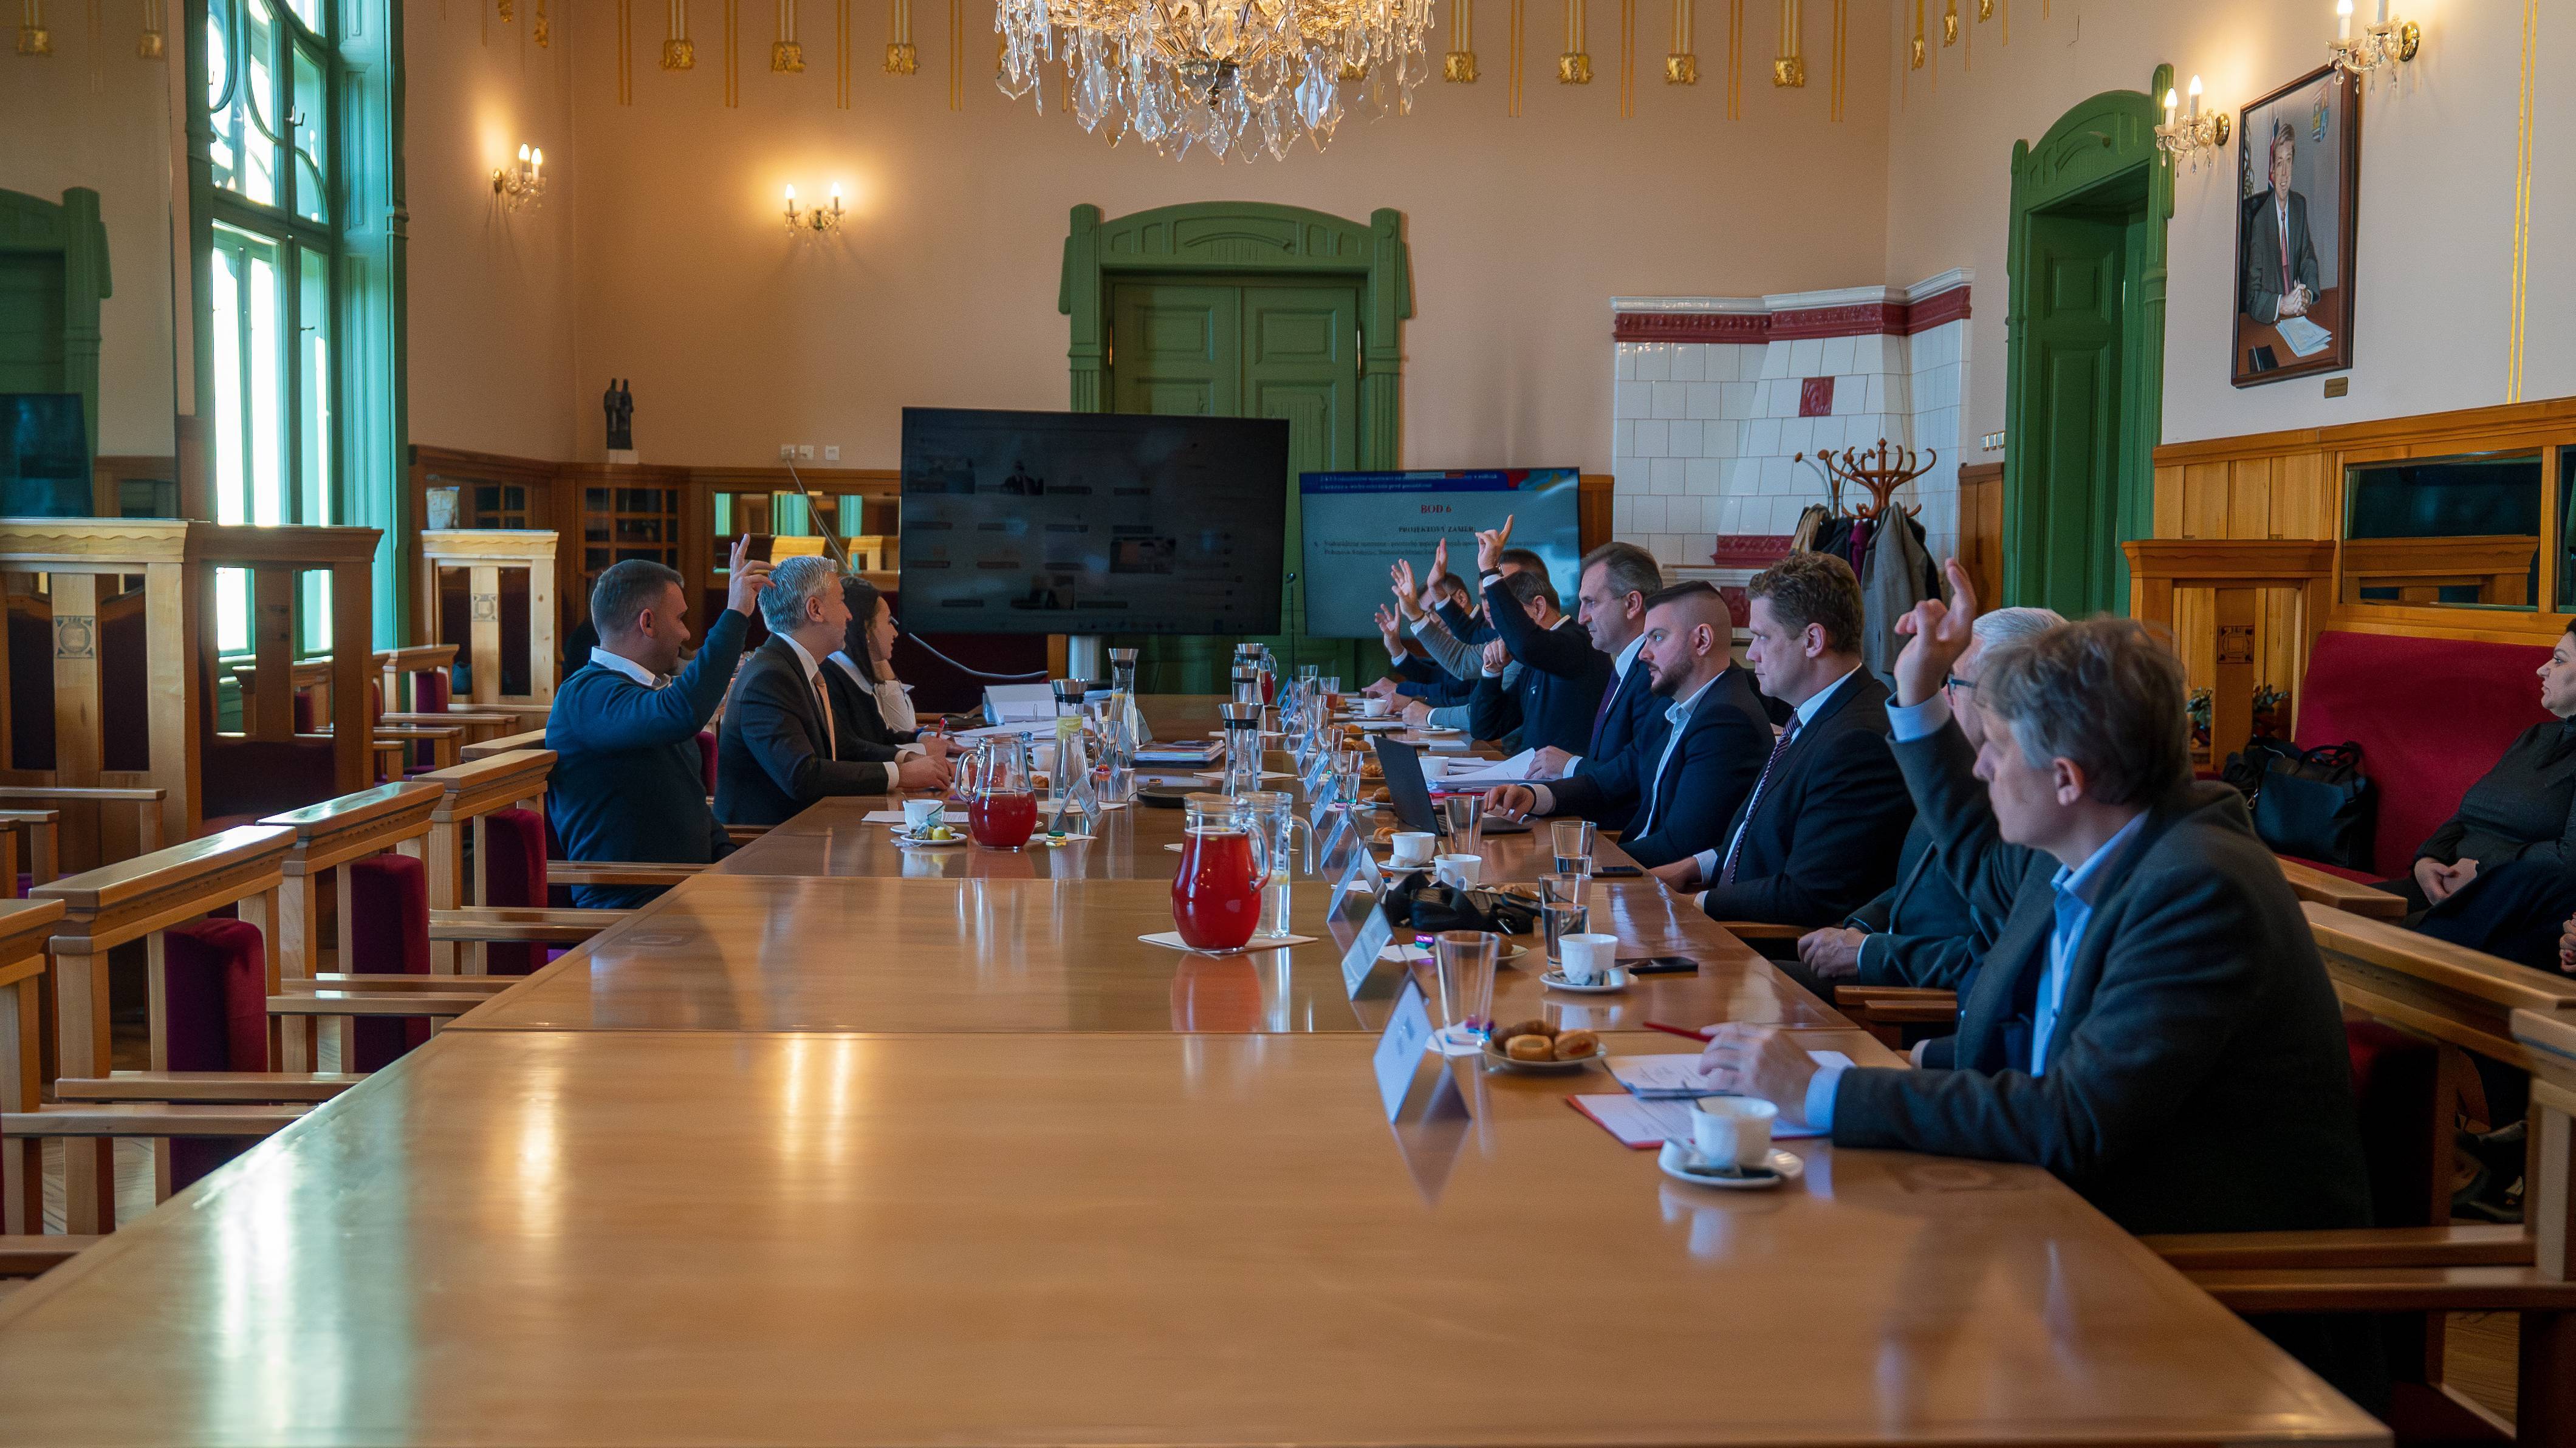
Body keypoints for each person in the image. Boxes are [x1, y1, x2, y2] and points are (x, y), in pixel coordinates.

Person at [1694, 579, 2380, 1405]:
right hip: (2066, 1239)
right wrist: (1910, 1065)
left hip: (2205, 1310)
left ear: (2066, 778)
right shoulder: (2097, 853)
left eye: (1996, 746)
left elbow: (2076, 1118)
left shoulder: (2196, 889)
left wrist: (1823, 1091)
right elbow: (2042, 1029)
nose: (1980, 765)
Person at [1789, 606, 2064, 998]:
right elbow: (1918, 882)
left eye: (1953, 681)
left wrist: (1870, 953)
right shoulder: (1965, 765)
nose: (1943, 695)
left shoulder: (2032, 807)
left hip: (1915, 1002)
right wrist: (1863, 926)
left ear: (2010, 693)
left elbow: (1990, 958)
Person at [1647, 552, 1910, 925]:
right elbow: (1760, 841)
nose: (1751, 653)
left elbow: (1810, 895)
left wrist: (1697, 903)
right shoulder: (1815, 714)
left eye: (1762, 637)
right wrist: (1695, 867)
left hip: (1762, 947)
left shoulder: (1857, 741)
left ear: (1813, 640)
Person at [547, 537, 769, 908]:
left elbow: (689, 804)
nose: (686, 633)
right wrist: (734, 615)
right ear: (647, 622)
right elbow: (682, 712)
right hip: (631, 909)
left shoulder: (646, 694)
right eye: (680, 619)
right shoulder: (586, 694)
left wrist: (729, 860)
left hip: (686, 893)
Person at [1482, 582, 1767, 869]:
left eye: (1658, 637)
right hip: (1639, 869)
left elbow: (1681, 847)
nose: (1644, 654)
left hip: (1663, 886)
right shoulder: (1673, 705)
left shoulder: (1726, 721)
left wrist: (1572, 860)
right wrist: (1533, 796)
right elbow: (1611, 780)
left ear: (1702, 640)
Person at [716, 556, 952, 828]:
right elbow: (802, 776)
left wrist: (907, 757)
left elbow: (845, 746)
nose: (849, 615)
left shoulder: (795, 668)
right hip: (767, 843)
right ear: (815, 609)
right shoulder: (769, 678)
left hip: (809, 829)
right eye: (841, 601)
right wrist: (901, 774)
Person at [1524, 542, 1668, 815]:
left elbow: (1639, 775)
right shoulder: (1627, 666)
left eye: (1591, 602)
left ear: (1632, 604)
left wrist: (1570, 766)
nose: (1581, 618)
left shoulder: (1653, 673)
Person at [1465, 519, 1611, 756]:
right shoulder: (1535, 662)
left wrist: (1490, 571)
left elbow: (1526, 644)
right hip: (1528, 775)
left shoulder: (1578, 643)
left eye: (1512, 617)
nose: (1506, 632)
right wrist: (1491, 672)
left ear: (1539, 607)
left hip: (1569, 778)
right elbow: (1485, 728)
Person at [823, 575, 954, 768]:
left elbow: (881, 738)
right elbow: (851, 752)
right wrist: (919, 751)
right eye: (887, 621)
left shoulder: (855, 674)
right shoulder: (831, 678)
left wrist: (920, 739)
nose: (895, 632)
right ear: (866, 629)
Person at [2240, 117, 2321, 327]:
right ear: (2272, 170)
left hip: (2296, 320)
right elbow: (2252, 297)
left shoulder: (2299, 206)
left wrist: (2307, 295)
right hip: (2268, 322)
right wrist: (2282, 304)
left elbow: (2307, 260)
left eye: (2288, 162)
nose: (2284, 174)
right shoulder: (2259, 220)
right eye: (2279, 163)